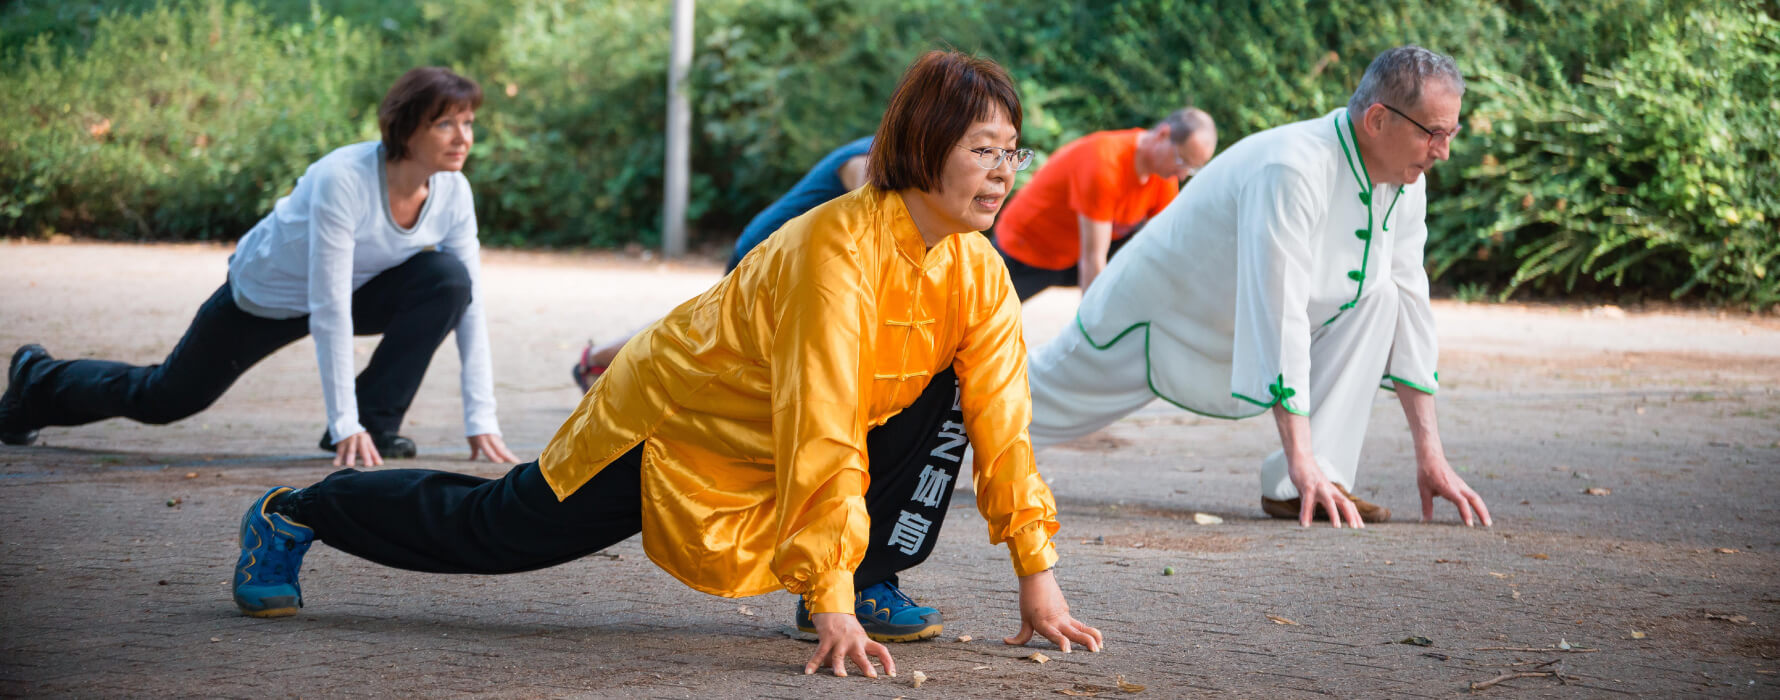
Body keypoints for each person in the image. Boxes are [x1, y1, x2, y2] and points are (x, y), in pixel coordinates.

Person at [228, 50, 1103, 680]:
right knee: (498, 527)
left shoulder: (975, 268)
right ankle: (295, 510)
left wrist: (1040, 583)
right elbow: (821, 425)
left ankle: (866, 577)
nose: (1003, 173)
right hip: (673, 420)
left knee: (954, 388)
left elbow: (1002, 423)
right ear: (925, 145)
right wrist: (828, 601)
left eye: (1010, 151)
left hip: (781, 439)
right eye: (984, 150)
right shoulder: (834, 254)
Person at [1024, 46, 1492, 529]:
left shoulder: (1406, 182)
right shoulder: (1291, 168)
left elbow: (1411, 304)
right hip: (1154, 317)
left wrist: (1431, 456)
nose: (1444, 151)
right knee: (1027, 406)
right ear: (1377, 120)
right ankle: (947, 403)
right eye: (1434, 133)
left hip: (1234, 324)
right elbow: (1279, 309)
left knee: (1381, 296)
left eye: (1450, 132)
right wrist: (1298, 454)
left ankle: (1306, 485)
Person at [0, 67, 518, 467]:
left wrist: (482, 417)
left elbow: (467, 306)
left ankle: (376, 425)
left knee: (448, 281)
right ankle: (39, 379)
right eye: (445, 122)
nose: (462, 136)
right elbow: (329, 307)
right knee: (164, 398)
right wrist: (342, 421)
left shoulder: (454, 191)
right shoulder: (344, 178)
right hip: (266, 297)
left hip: (359, 290)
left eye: (468, 122)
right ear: (406, 128)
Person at [572, 136, 874, 392]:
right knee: (702, 333)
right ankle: (598, 360)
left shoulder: (887, 154)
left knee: (706, 332)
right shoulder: (869, 159)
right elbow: (872, 217)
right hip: (766, 249)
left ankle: (602, 362)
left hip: (795, 257)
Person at [990, 108, 1216, 301]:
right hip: (1027, 248)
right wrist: (1093, 333)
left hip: (1072, 254)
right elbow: (1092, 261)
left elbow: (1164, 247)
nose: (1183, 174)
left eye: (1191, 168)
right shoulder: (1105, 164)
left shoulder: (1165, 178)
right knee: (976, 320)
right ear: (1163, 135)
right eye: (1182, 160)